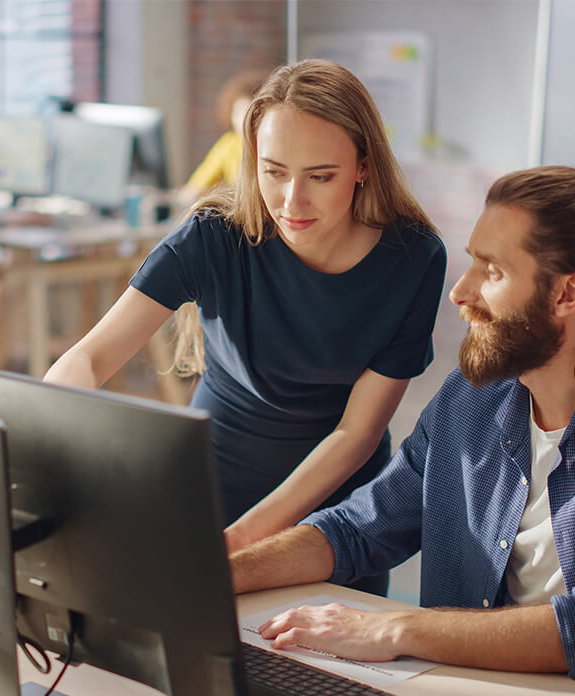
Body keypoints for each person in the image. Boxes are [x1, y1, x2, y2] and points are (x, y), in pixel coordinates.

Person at [230, 165, 575, 682]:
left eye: (491, 271)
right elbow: (357, 530)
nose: (460, 293)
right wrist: (223, 572)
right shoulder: (470, 399)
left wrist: (394, 629)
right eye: (471, 262)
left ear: (567, 295)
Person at [44, 60, 447, 595]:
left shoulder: (414, 258)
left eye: (320, 177)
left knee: (324, 673)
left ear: (363, 166)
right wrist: (45, 447)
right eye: (273, 170)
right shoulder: (213, 237)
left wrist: (238, 544)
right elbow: (89, 358)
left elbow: (356, 434)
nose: (290, 201)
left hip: (335, 521)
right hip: (207, 491)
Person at [176, 69, 270, 203]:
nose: (243, 119)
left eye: (249, 111)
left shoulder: (271, 147)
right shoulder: (229, 144)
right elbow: (197, 185)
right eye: (238, 112)